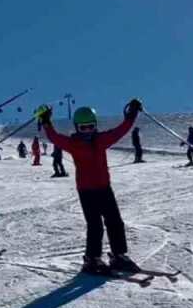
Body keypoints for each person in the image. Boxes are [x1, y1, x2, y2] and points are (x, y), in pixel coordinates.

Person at [41, 100, 142, 274]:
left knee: (115, 221)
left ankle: (119, 255)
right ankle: (92, 259)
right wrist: (46, 121)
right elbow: (54, 137)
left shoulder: (101, 140)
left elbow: (121, 130)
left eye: (90, 127)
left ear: (95, 126)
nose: (87, 131)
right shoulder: (73, 144)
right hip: (87, 190)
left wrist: (132, 114)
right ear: (76, 127)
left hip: (104, 187)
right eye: (82, 128)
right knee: (94, 224)